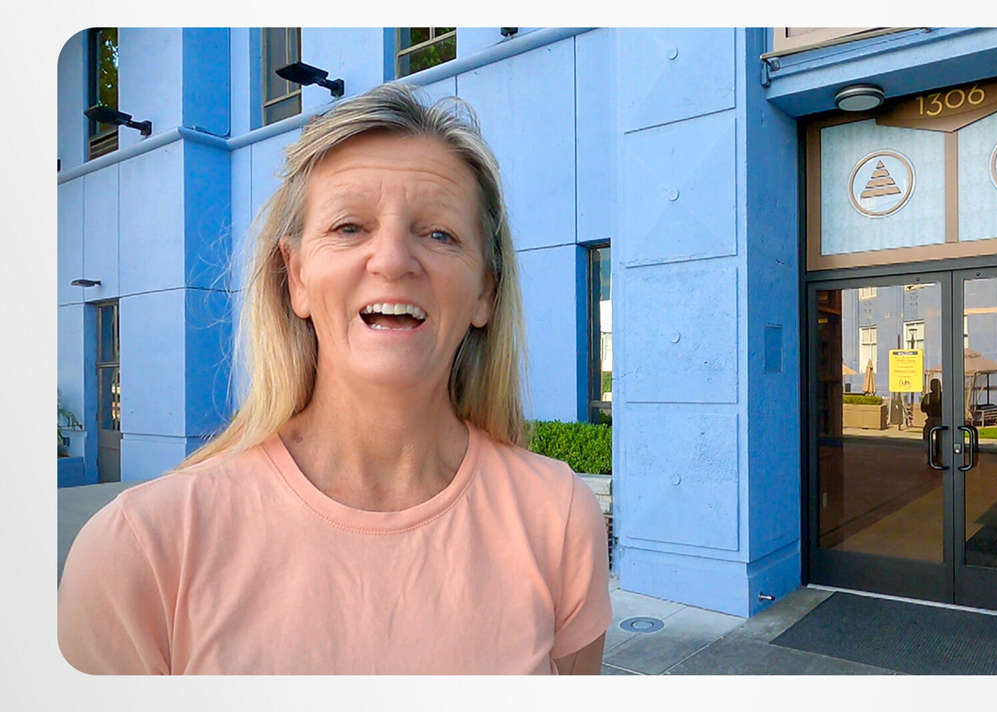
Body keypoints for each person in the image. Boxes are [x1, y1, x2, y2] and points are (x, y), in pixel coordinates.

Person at [57, 84, 612, 674]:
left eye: (440, 233)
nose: (393, 260)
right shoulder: (142, 552)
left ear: (485, 293)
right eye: (349, 227)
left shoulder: (557, 518)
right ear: (295, 278)